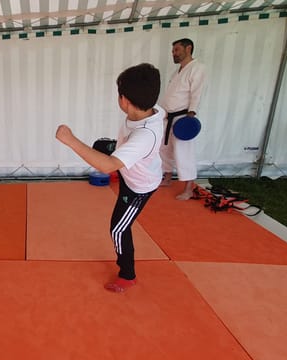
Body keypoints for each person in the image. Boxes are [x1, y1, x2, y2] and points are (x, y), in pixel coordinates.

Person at [56, 63, 165, 293]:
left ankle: (128, 274)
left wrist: (70, 139)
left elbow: (107, 167)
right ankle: (116, 154)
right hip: (133, 163)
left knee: (118, 229)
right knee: (98, 146)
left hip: (139, 186)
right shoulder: (150, 110)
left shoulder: (145, 135)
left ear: (124, 100)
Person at [159, 38, 206, 200]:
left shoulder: (197, 68)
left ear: (189, 48)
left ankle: (188, 188)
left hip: (183, 118)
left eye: (177, 50)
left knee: (183, 152)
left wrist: (191, 116)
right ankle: (166, 177)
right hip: (169, 117)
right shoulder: (178, 71)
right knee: (164, 149)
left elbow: (196, 93)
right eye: (173, 51)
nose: (174, 54)